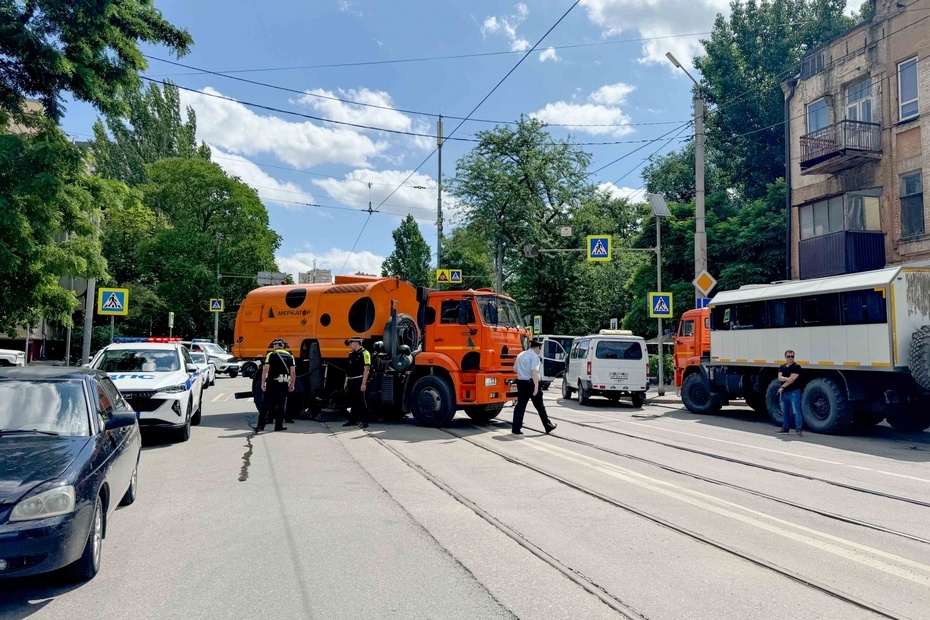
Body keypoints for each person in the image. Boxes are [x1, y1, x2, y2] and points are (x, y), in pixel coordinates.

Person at [511, 340, 557, 435]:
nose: (539, 351)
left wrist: (522, 373)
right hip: (531, 384)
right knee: (540, 406)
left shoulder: (520, 355)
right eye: (539, 349)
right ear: (536, 348)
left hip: (521, 383)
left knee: (520, 406)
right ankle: (548, 426)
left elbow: (514, 369)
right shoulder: (534, 357)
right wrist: (536, 386)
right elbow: (533, 371)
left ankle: (516, 428)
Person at [258, 338, 295, 432]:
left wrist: (263, 383)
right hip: (283, 383)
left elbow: (265, 370)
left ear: (275, 345)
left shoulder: (271, 354)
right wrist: (292, 384)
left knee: (265, 404)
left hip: (271, 383)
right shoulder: (290, 356)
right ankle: (278, 426)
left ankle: (261, 426)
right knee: (281, 405)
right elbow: (293, 373)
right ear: (283, 346)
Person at [343, 337, 371, 429]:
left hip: (359, 380)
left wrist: (363, 383)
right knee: (352, 401)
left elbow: (366, 369)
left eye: (351, 343)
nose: (350, 345)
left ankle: (365, 421)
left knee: (361, 402)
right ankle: (352, 420)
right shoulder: (351, 354)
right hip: (351, 380)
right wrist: (346, 381)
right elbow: (348, 369)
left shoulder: (365, 353)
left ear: (356, 343)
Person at [776, 349, 803, 437]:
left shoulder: (797, 366)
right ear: (785, 357)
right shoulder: (782, 366)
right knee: (785, 411)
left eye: (792, 357)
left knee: (796, 412)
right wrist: (787, 379)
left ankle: (798, 430)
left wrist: (783, 385)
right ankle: (785, 428)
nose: (790, 358)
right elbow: (779, 378)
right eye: (788, 356)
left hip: (794, 392)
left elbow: (791, 380)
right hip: (784, 393)